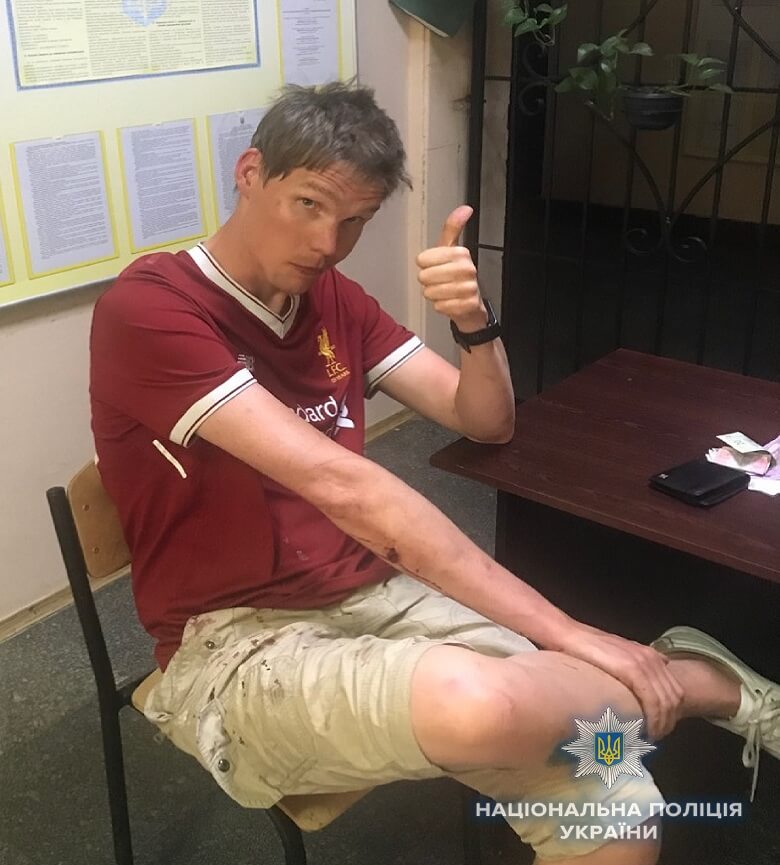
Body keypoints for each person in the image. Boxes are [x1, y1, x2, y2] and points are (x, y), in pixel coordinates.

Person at [89, 82, 778, 864]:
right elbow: (345, 487)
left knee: (616, 795)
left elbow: (485, 420)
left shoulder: (333, 298)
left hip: (375, 592)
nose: (327, 242)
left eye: (354, 220)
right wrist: (570, 633)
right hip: (235, 636)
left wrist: (473, 321)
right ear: (250, 174)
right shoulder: (151, 308)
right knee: (477, 706)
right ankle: (697, 681)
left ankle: (637, 688)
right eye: (308, 204)